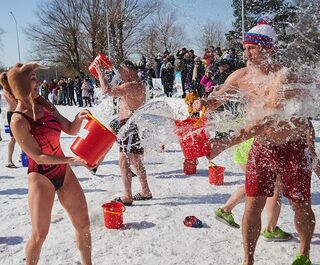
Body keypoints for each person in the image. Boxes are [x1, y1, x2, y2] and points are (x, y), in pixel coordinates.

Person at [193, 17, 315, 265]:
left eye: (252, 48)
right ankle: (248, 260)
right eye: (244, 48)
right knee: (252, 205)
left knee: (300, 204)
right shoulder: (240, 76)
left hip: (292, 147)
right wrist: (205, 103)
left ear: (268, 49)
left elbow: (267, 120)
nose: (246, 53)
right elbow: (219, 96)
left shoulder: (283, 77)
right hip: (262, 148)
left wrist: (227, 142)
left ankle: (304, 254)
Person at [0, 63, 92, 265]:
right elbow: (38, 156)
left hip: (63, 172)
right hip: (41, 176)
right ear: (22, 85)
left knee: (84, 225)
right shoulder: (18, 119)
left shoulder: (47, 106)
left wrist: (79, 119)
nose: (38, 82)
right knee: (40, 235)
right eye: (33, 79)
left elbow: (69, 128)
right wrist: (72, 160)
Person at [95, 59, 152, 206]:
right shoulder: (139, 84)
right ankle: (145, 191)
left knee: (123, 160)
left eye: (121, 73)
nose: (120, 75)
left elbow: (106, 91)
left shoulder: (130, 86)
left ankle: (128, 196)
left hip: (129, 125)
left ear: (127, 71)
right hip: (134, 124)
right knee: (136, 160)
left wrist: (100, 73)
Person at [215, 137, 292, 242]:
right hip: (258, 147)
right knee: (274, 187)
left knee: (255, 185)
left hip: (242, 145)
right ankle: (271, 229)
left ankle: (225, 210)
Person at [0, 77, 18, 168]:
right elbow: (15, 101)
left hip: (14, 112)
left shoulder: (9, 89)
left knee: (23, 135)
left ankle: (23, 155)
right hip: (13, 113)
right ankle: (9, 160)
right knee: (14, 138)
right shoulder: (8, 90)